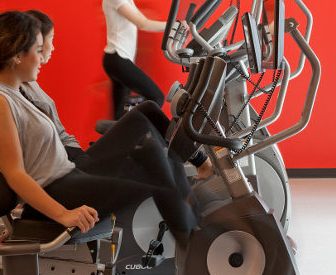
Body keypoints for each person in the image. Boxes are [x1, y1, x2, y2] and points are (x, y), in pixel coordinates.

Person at [0, 11, 195, 243]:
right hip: (59, 191)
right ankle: (195, 242)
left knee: (156, 156)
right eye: (38, 50)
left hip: (68, 175)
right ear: (17, 55)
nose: (42, 58)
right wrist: (64, 214)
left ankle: (195, 229)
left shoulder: (15, 89)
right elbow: (15, 175)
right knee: (158, 178)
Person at [21, 10, 213, 179]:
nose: (53, 47)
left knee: (146, 109)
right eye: (50, 40)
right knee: (152, 108)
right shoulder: (17, 93)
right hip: (71, 164)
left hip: (75, 155)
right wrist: (174, 26)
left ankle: (192, 158)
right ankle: (195, 160)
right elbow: (142, 23)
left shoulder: (30, 84)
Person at [102, 0, 166, 120]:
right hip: (117, 59)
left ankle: (123, 136)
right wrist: (171, 26)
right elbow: (143, 24)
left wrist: (171, 26)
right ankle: (134, 131)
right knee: (156, 97)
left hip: (117, 59)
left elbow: (144, 21)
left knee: (119, 116)